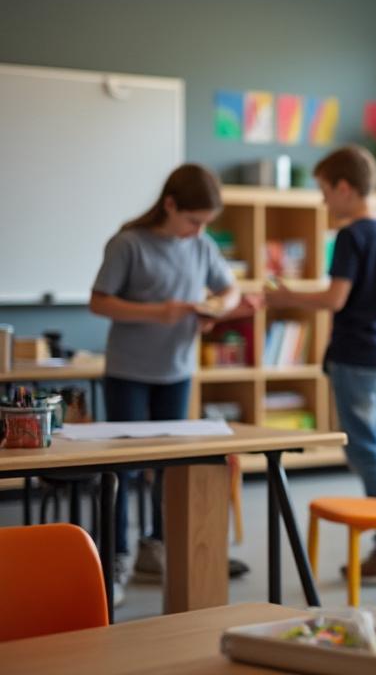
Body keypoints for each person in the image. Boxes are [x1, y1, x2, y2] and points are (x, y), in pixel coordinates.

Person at [265, 145, 376, 582]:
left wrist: (285, 297)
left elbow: (334, 298)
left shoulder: (351, 236)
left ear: (344, 188)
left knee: (366, 449)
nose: (323, 201)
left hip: (356, 356)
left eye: (324, 190)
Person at [90, 163, 246, 605]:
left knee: (170, 467)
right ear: (171, 205)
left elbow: (230, 289)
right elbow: (98, 302)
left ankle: (153, 547)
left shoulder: (200, 245)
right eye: (193, 220)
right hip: (129, 371)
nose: (198, 231)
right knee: (124, 469)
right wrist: (158, 312)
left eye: (205, 224)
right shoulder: (128, 244)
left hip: (177, 370)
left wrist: (219, 306)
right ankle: (115, 556)